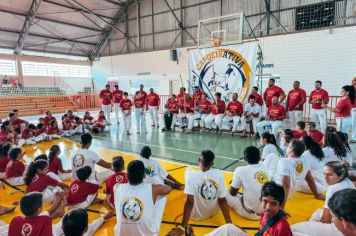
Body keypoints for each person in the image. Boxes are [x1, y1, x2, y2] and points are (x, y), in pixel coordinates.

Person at [175, 150, 232, 235]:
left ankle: (188, 188)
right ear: (212, 164)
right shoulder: (219, 173)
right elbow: (222, 200)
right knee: (224, 190)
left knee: (188, 170)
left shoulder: (191, 176)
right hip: (213, 212)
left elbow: (189, 203)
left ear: (199, 160)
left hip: (196, 216)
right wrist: (229, 223)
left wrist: (182, 227)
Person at [291, 161, 355, 236]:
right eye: (324, 174)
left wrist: (317, 226)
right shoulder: (348, 181)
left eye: (330, 175)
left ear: (340, 176)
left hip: (342, 229)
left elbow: (326, 219)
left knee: (292, 229)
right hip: (350, 220)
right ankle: (313, 228)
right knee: (317, 212)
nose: (325, 178)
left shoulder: (332, 188)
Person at [114, 160, 172, 236]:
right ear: (144, 176)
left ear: (126, 176)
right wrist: (162, 183)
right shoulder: (153, 189)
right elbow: (168, 189)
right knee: (162, 197)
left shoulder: (117, 187)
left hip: (121, 234)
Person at [274, 140, 324, 207]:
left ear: (291, 149)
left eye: (288, 146)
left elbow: (286, 185)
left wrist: (282, 205)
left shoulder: (283, 161)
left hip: (281, 195)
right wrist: (316, 195)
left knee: (271, 159)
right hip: (292, 192)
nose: (286, 147)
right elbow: (310, 179)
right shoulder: (305, 159)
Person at [226, 146, 270, 220]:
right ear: (259, 158)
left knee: (224, 192)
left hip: (250, 213)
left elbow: (232, 193)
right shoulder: (265, 168)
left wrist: (234, 183)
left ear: (244, 158)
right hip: (267, 212)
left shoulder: (240, 170)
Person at [351, 77, 356, 143]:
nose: (353, 81)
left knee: (354, 123)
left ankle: (354, 138)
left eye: (354, 80)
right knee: (353, 123)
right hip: (351, 108)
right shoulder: (350, 89)